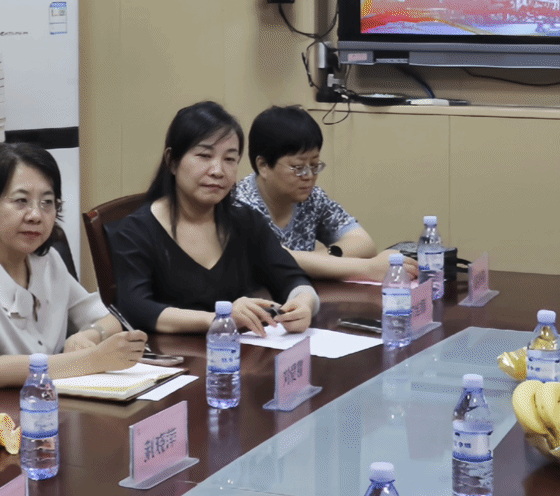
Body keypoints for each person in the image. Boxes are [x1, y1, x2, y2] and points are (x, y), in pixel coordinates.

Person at [0, 142, 150, 388]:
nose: (36, 215)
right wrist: (92, 359)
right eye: (21, 201)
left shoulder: (47, 262)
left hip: (40, 400)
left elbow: (109, 318)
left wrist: (89, 335)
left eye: (47, 202)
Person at [108, 100, 320, 335]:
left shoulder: (245, 221)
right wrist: (221, 319)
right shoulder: (136, 231)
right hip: (169, 355)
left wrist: (303, 304)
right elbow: (136, 308)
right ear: (172, 161)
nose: (218, 171)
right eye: (204, 155)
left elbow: (293, 278)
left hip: (239, 352)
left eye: (229, 159)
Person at [232, 105, 405, 282]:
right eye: (298, 167)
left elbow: (363, 242)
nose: (309, 176)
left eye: (315, 166)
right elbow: (271, 259)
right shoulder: (240, 205)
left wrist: (320, 259)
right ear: (263, 166)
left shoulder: (312, 197)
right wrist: (367, 268)